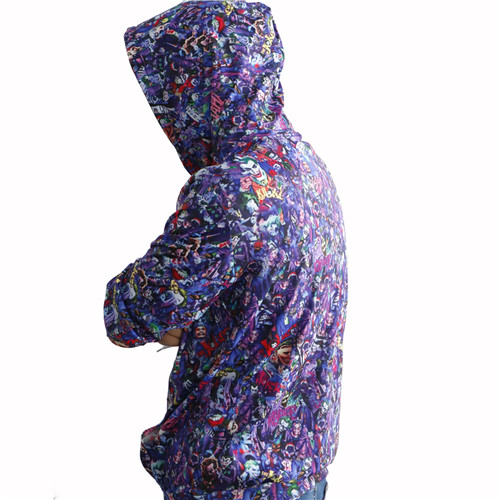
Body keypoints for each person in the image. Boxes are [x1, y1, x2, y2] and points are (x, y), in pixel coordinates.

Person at [103, 1, 348, 498]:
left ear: (204, 84)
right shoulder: (306, 167)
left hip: (233, 480)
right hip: (299, 473)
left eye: (173, 89)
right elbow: (264, 302)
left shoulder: (232, 191)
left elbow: (128, 314)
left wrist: (166, 312)